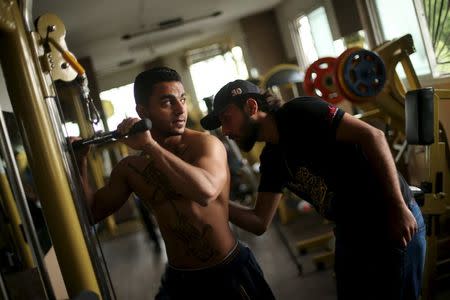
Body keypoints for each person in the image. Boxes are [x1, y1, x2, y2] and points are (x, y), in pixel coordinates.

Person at [200, 79, 426, 300]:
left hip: (388, 220)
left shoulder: (300, 112)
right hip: (351, 235)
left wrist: (398, 208)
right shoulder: (272, 158)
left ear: (251, 106)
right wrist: (212, 201)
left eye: (226, 119)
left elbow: (373, 136)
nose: (225, 131)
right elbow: (259, 221)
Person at [73, 68, 275, 300]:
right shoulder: (131, 169)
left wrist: (150, 146)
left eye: (182, 99)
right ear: (142, 111)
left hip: (228, 271)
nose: (180, 110)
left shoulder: (205, 145)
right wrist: (80, 163)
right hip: (180, 282)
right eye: (167, 102)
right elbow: (91, 214)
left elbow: (205, 191)